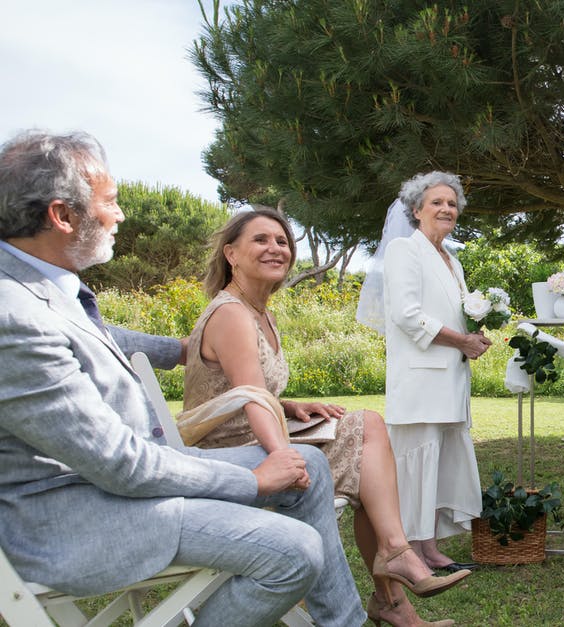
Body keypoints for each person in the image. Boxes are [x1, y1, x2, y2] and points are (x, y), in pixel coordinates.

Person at [0, 129, 363, 626]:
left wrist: (182, 350)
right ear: (63, 216)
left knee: (306, 463)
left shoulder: (43, 289)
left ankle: (345, 623)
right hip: (76, 516)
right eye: (110, 202)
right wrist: (252, 481)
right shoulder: (12, 314)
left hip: (114, 487)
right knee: (294, 551)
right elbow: (120, 465)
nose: (121, 215)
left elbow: (101, 334)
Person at [183, 209, 466, 627]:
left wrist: (289, 406)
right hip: (233, 454)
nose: (275, 249)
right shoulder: (231, 314)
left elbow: (251, 391)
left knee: (368, 436)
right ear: (231, 254)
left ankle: (394, 568)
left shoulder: (261, 313)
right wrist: (284, 455)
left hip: (256, 431)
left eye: (282, 242)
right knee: (367, 447)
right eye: (260, 240)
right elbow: (250, 397)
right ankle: (393, 577)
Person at [364, 171, 489, 572]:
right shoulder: (405, 250)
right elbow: (405, 315)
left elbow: (451, 312)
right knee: (414, 465)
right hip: (419, 380)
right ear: (417, 210)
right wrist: (461, 341)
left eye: (452, 204)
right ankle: (409, 551)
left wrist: (474, 335)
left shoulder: (452, 260)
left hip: (450, 378)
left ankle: (430, 547)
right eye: (436, 202)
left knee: (436, 466)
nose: (446, 209)